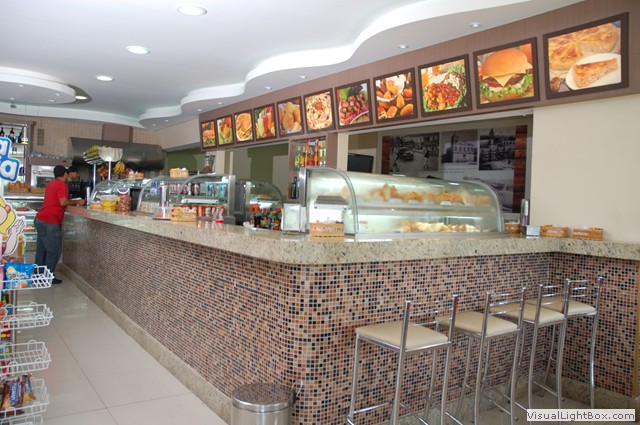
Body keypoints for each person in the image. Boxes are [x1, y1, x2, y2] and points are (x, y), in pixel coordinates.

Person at [34, 165, 85, 284]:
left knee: (41, 250)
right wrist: (77, 201)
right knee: (54, 251)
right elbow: (62, 202)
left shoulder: (50, 184)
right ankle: (48, 277)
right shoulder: (62, 185)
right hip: (50, 222)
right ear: (65, 174)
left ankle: (38, 275)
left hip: (40, 220)